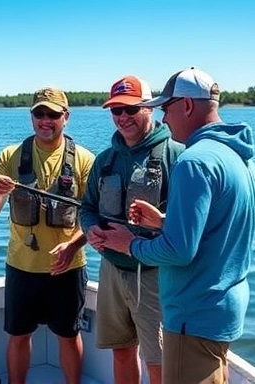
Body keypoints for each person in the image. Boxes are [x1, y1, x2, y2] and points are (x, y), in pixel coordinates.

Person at [102, 68, 255, 384]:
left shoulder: (194, 161)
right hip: (224, 308)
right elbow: (219, 228)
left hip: (193, 314)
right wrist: (164, 222)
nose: (164, 116)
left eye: (166, 107)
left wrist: (128, 244)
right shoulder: (238, 155)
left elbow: (178, 251)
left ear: (187, 105)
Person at [0, 87, 95, 384]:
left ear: (65, 118)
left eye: (53, 114)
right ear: (32, 117)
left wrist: (73, 245)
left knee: (69, 336)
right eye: (39, 114)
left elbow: (93, 216)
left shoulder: (84, 160)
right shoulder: (10, 156)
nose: (46, 120)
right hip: (22, 266)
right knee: (19, 336)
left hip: (68, 268)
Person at [80, 76, 184, 384]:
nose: (123, 118)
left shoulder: (177, 156)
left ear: (149, 108)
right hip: (111, 271)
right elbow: (87, 208)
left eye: (130, 109)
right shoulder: (104, 160)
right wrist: (91, 232)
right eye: (116, 111)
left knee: (158, 360)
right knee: (121, 351)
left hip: (155, 276)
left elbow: (188, 224)